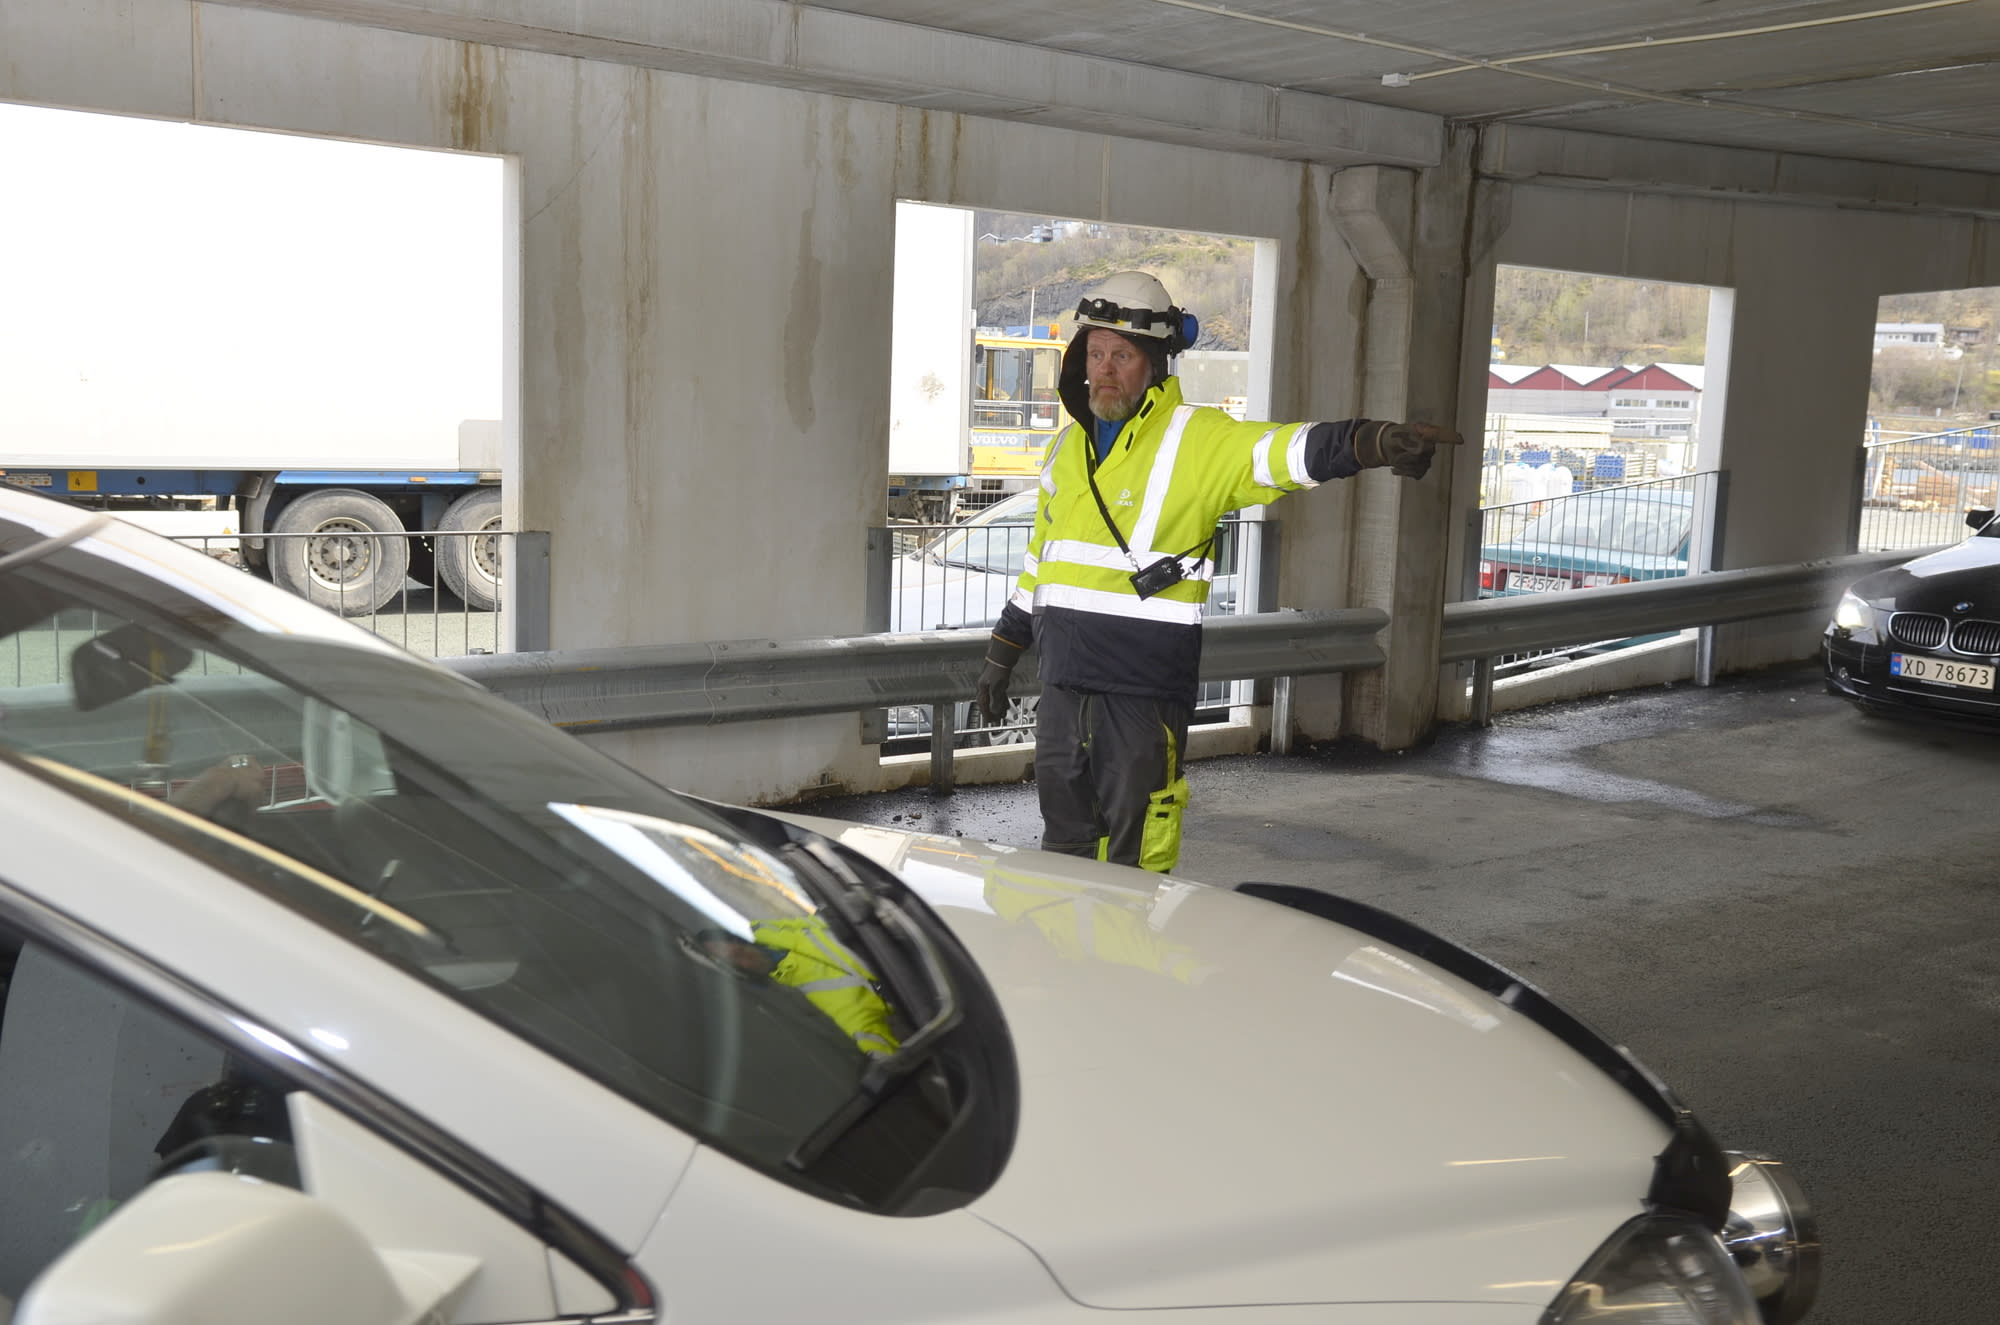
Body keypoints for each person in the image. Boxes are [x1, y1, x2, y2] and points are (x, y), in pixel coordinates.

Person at [974, 271, 1460, 874]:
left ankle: (1130, 939)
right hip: (1062, 689)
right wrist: (1002, 653)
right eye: (1095, 354)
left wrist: (1374, 441)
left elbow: (1282, 451)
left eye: (1123, 355)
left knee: (1132, 860)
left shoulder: (1197, 439)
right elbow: (1040, 564)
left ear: (1155, 363)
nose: (1105, 370)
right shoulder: (1064, 450)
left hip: (1141, 693)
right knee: (1064, 852)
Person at [693, 918, 899, 1057]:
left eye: (729, 949)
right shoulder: (799, 1000)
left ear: (733, 938)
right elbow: (863, 1029)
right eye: (731, 962)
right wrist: (883, 1057)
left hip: (890, 929)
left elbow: (828, 917)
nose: (733, 955)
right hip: (902, 984)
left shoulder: (772, 929)